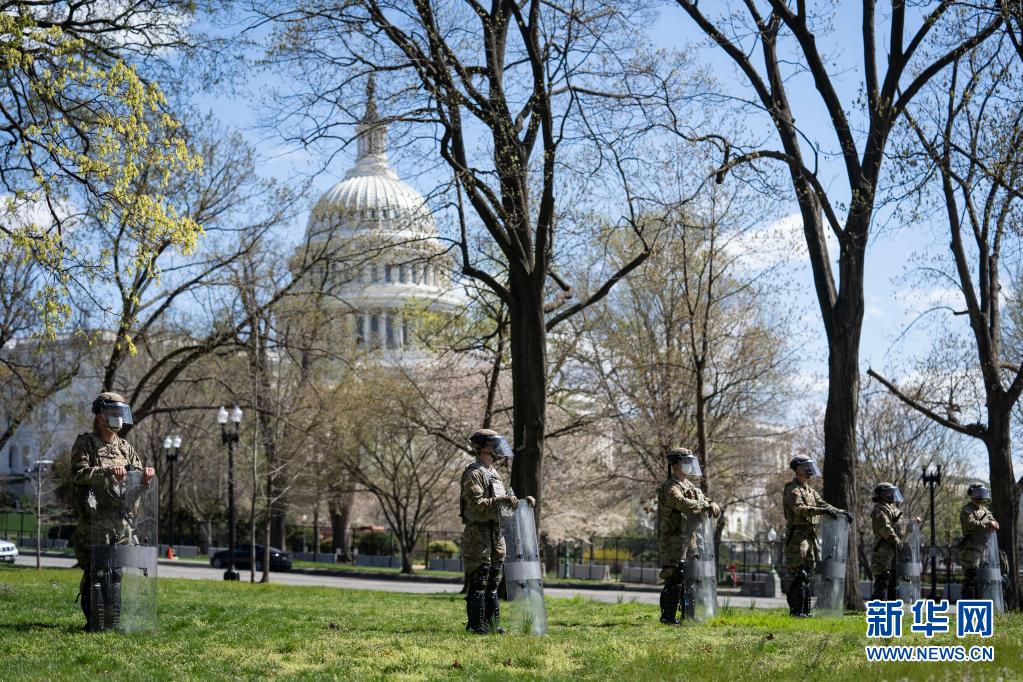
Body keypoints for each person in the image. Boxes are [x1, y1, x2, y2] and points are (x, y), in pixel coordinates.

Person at [70, 392, 154, 631]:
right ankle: (94, 623)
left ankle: (112, 624)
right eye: (113, 412)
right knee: (97, 572)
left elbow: (136, 479)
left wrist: (146, 477)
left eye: (120, 412)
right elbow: (78, 474)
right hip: (95, 521)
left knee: (116, 574)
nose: (118, 417)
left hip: (121, 522)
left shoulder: (125, 447)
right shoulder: (85, 443)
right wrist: (106, 471)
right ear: (99, 415)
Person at [459, 428, 534, 634]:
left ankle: (492, 625)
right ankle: (476, 626)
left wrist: (522, 503)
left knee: (492, 584)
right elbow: (477, 505)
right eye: (492, 444)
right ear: (481, 448)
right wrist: (502, 501)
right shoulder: (473, 473)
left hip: (496, 536)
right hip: (479, 537)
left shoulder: (494, 474)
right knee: (480, 583)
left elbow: (503, 505)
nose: (497, 448)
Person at [656, 448, 720, 625]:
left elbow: (705, 501)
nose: (690, 465)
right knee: (675, 576)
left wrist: (712, 503)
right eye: (686, 462)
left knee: (691, 576)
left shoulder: (692, 487)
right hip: (674, 539)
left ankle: (690, 615)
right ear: (676, 465)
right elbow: (681, 503)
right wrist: (704, 504)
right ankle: (668, 617)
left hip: (692, 538)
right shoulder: (670, 487)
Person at [782, 454, 849, 617]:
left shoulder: (810, 491)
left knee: (807, 574)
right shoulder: (792, 489)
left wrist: (839, 512)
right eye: (806, 466)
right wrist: (823, 511)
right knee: (799, 574)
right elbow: (800, 509)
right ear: (798, 468)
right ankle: (796, 612)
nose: (809, 469)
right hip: (797, 536)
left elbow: (822, 504)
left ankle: (805, 611)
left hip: (810, 535)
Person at [869, 482, 920, 600]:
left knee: (894, 581)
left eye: (893, 492)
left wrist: (913, 523)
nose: (892, 494)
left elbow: (901, 528)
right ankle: (879, 609)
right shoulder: (880, 509)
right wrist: (898, 542)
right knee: (883, 580)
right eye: (888, 492)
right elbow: (885, 528)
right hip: (884, 551)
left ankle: (891, 609)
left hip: (896, 550)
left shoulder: (895, 509)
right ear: (881, 494)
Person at [959, 482, 999, 600]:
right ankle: (968, 605)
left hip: (985, 549)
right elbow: (971, 524)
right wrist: (987, 523)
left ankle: (982, 604)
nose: (981, 496)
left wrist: (994, 524)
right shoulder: (967, 510)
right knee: (971, 578)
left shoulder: (985, 510)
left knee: (984, 578)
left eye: (983, 493)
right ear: (972, 494)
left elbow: (993, 521)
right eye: (978, 493)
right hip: (971, 551)